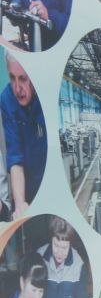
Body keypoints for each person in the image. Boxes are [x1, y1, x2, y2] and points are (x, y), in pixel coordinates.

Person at [1, 52, 48, 214]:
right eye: (12, 78)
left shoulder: (45, 94)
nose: (17, 88)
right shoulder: (6, 100)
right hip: (26, 186)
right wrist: (20, 203)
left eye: (22, 78)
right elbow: (15, 155)